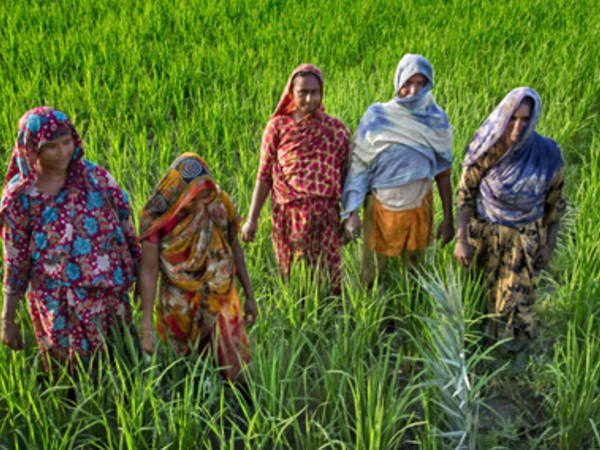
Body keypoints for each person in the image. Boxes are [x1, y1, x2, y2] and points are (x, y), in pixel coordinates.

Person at [0, 107, 141, 371]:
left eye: (66, 142)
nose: (63, 152)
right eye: (51, 146)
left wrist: (139, 275)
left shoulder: (95, 177)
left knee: (121, 362)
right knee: (72, 373)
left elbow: (126, 225)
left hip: (108, 294)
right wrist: (7, 321)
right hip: (60, 305)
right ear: (32, 149)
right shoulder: (20, 199)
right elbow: (15, 261)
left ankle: (125, 402)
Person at [454, 87, 565, 345]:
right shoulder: (486, 147)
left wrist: (549, 245)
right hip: (485, 233)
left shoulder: (547, 153)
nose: (517, 126)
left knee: (516, 297)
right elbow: (465, 194)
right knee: (479, 291)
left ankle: (514, 348)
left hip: (524, 237)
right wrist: (461, 238)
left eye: (525, 119)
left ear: (534, 119)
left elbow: (555, 203)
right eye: (512, 118)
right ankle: (475, 344)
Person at [138, 153, 258, 380]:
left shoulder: (218, 204)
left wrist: (249, 297)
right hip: (178, 301)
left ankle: (239, 406)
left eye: (204, 198)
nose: (198, 205)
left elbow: (234, 248)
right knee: (182, 370)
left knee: (233, 363)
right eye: (191, 199)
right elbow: (149, 271)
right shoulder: (156, 216)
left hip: (221, 293)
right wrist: (146, 328)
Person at [341, 54, 454, 286]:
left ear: (429, 84)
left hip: (419, 206)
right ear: (398, 83)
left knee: (416, 274)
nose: (413, 91)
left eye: (421, 83)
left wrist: (449, 218)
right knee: (371, 272)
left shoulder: (436, 120)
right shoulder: (378, 116)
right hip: (381, 207)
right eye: (408, 84)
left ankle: (411, 315)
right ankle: (370, 316)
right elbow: (359, 164)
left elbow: (444, 173)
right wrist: (352, 212)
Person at [240, 64, 351, 292]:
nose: (309, 98)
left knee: (330, 279)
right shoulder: (277, 127)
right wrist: (252, 219)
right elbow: (264, 176)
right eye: (303, 92)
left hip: (326, 217)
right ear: (292, 93)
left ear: (322, 93)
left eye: (315, 92)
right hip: (288, 215)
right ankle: (296, 319)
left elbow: (348, 177)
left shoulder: (336, 129)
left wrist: (351, 216)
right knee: (293, 278)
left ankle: (333, 321)